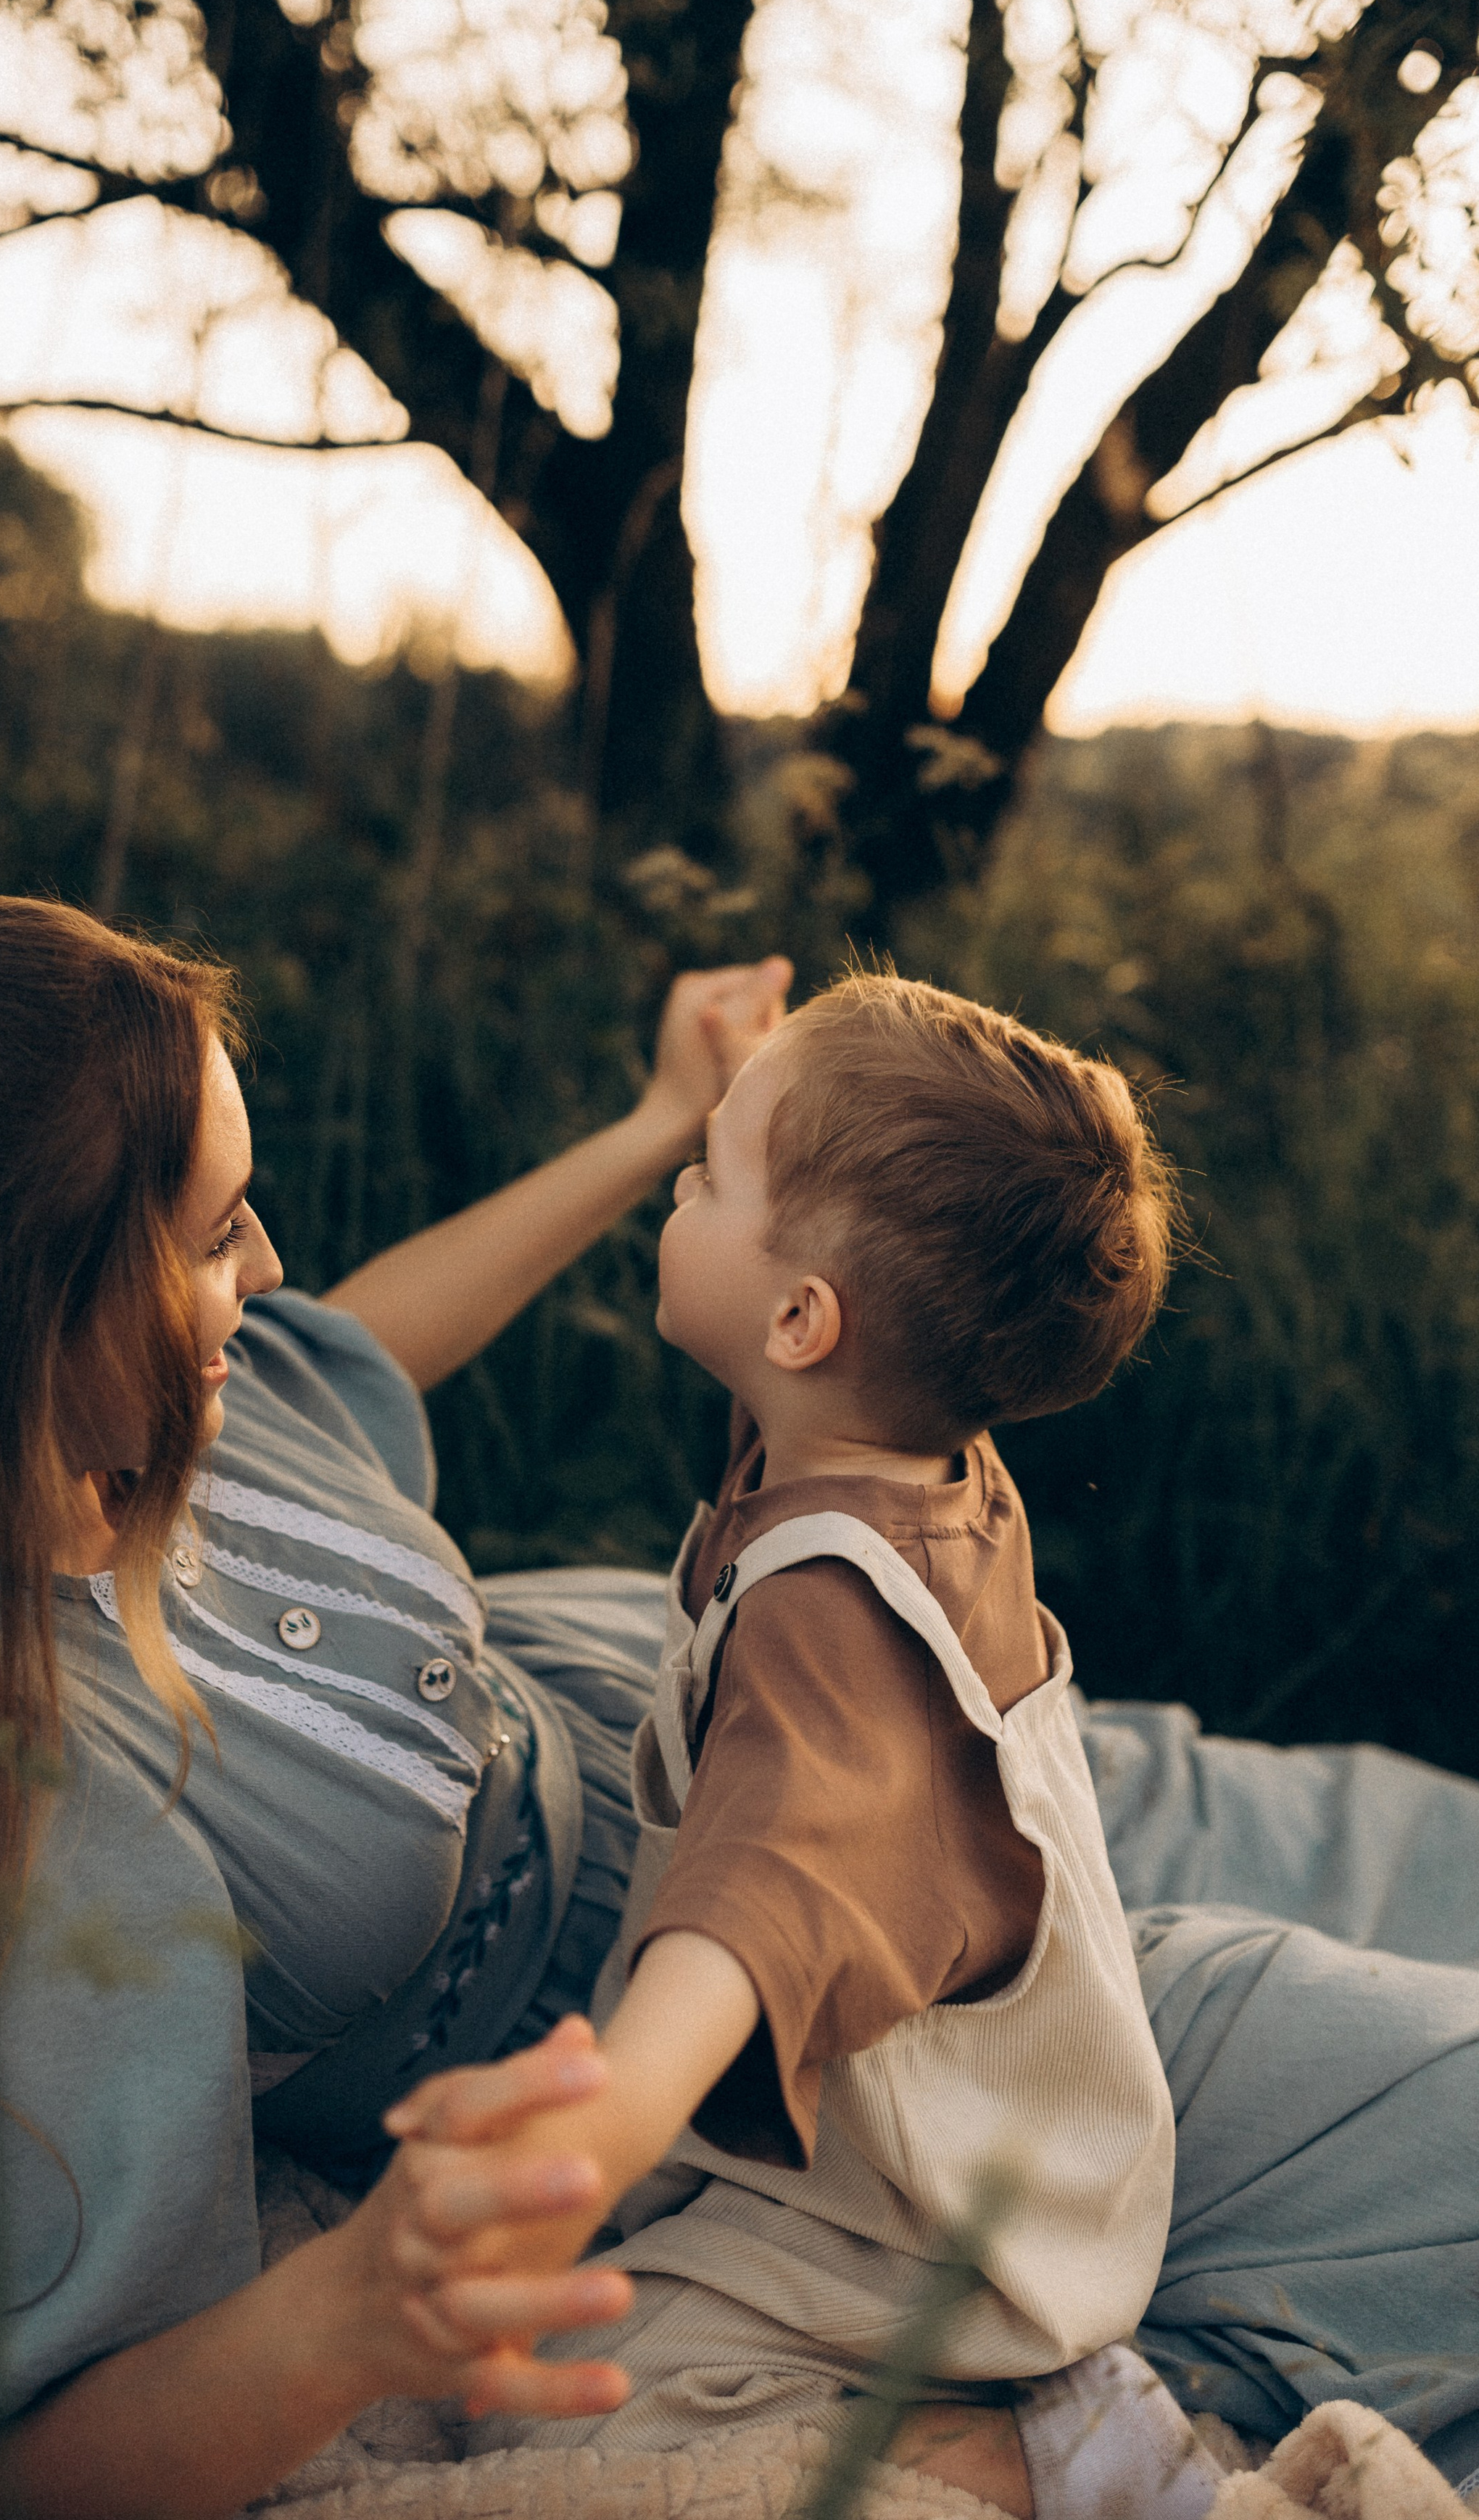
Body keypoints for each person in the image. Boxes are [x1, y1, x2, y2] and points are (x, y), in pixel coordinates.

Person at [0, 895, 1478, 2517]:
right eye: (211, 1235)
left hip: (829, 1706)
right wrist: (352, 2308)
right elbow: (16, 2464)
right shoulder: (4, 1831)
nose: (261, 1274)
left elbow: (342, 1343)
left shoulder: (153, 1396)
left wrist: (654, 1128)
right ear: (7, 1321)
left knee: (1403, 1839)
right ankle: (1088, 2432)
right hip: (753, 2021)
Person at [452, 969, 1182, 2461]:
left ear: (796, 1316)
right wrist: (743, 1087)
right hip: (1029, 2135)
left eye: (707, 1171)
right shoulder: (884, 1429)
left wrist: (574, 2153)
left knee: (570, 2411)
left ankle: (1034, 2453)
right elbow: (882, 1209)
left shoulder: (830, 1637)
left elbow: (748, 1915)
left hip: (939, 2228)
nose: (679, 1176)